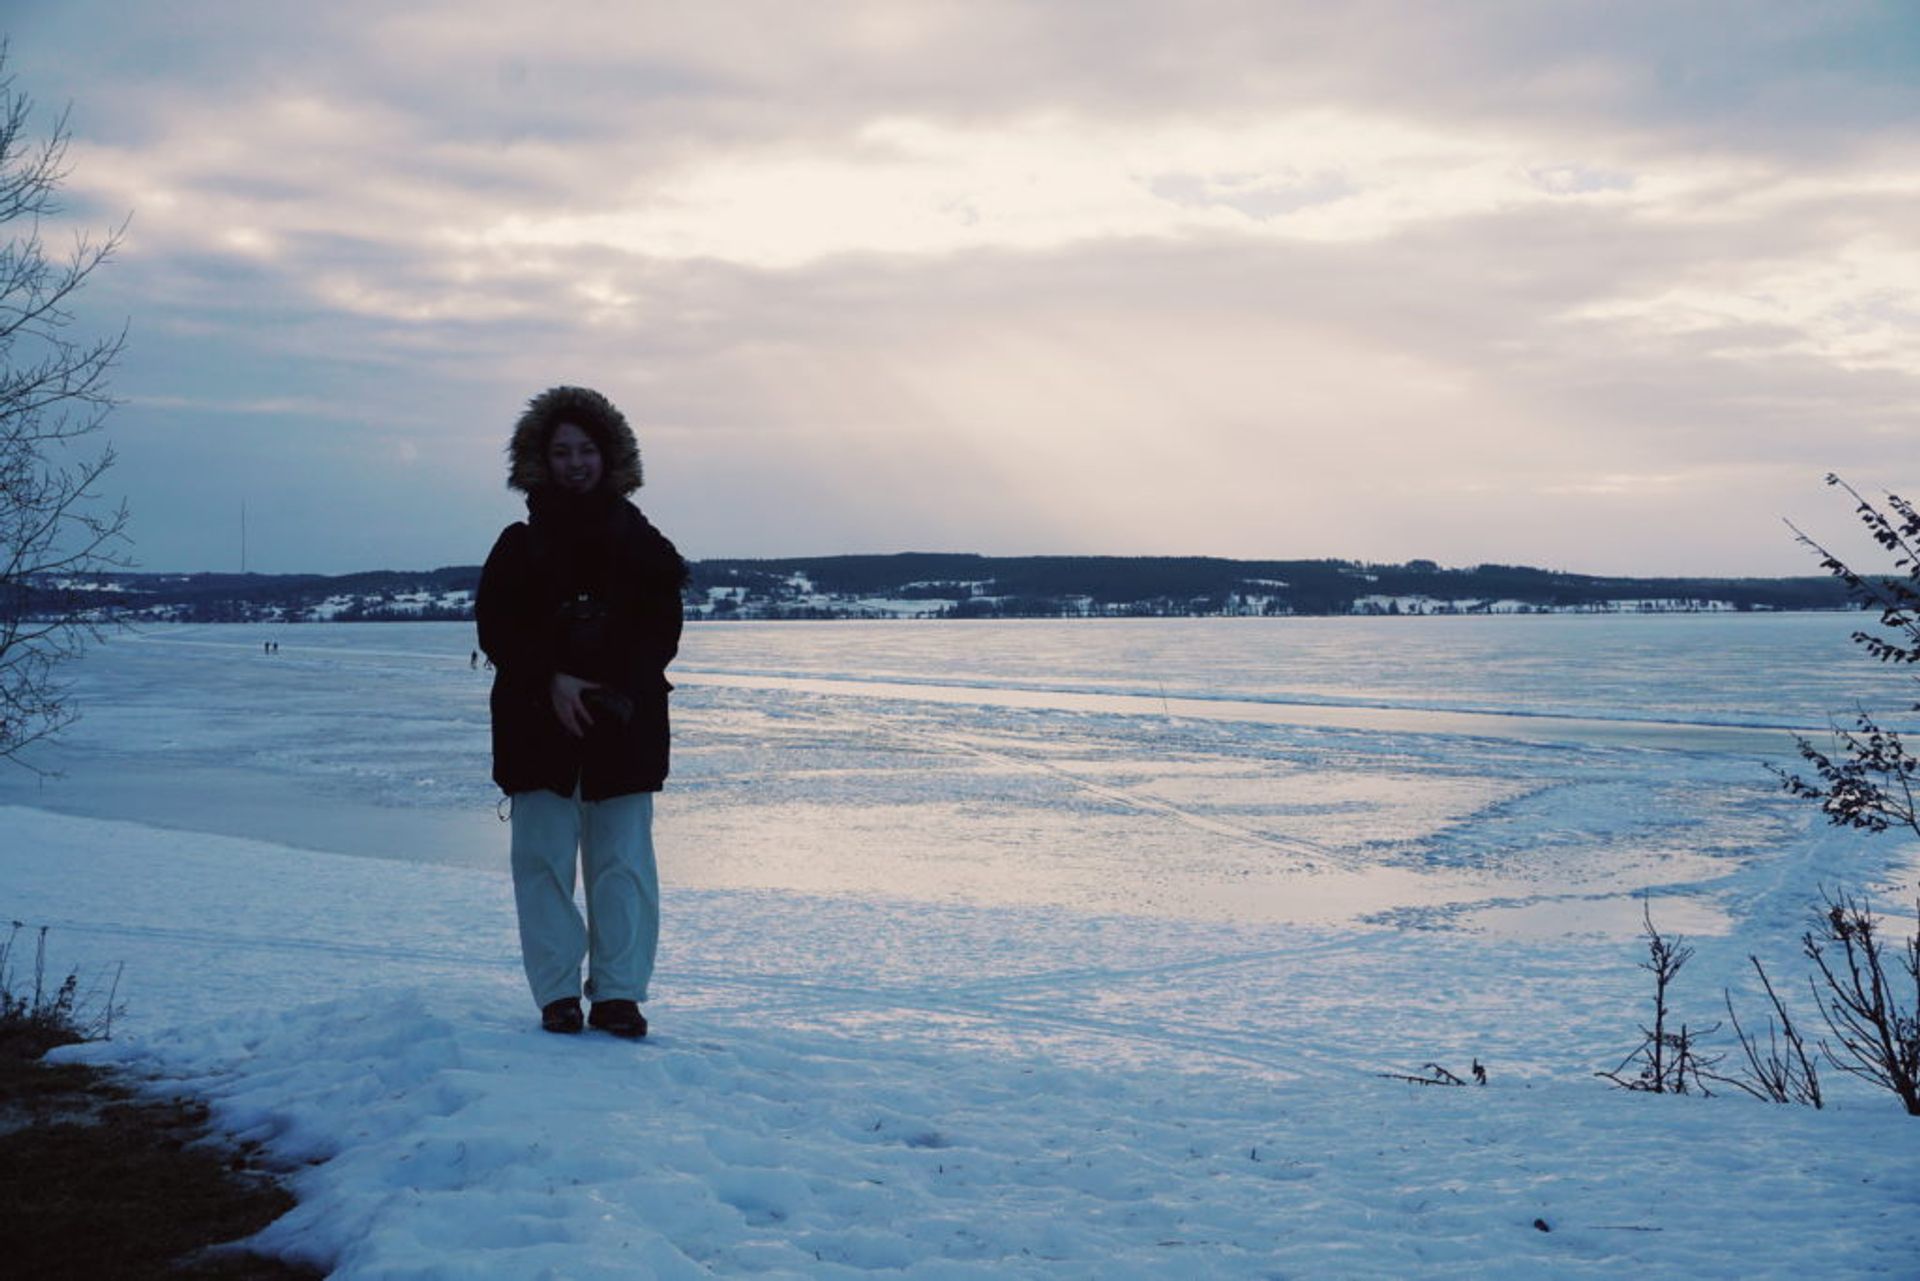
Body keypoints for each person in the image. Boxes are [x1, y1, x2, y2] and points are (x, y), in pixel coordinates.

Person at [475, 386, 686, 1038]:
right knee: (541, 863)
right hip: (536, 727)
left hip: (624, 726)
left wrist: (603, 685)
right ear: (540, 459)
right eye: (561, 450)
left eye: (586, 450)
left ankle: (620, 994)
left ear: (609, 456)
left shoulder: (644, 543)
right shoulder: (517, 546)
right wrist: (552, 679)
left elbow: (661, 635)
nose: (574, 462)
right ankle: (558, 993)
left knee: (622, 865)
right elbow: (498, 629)